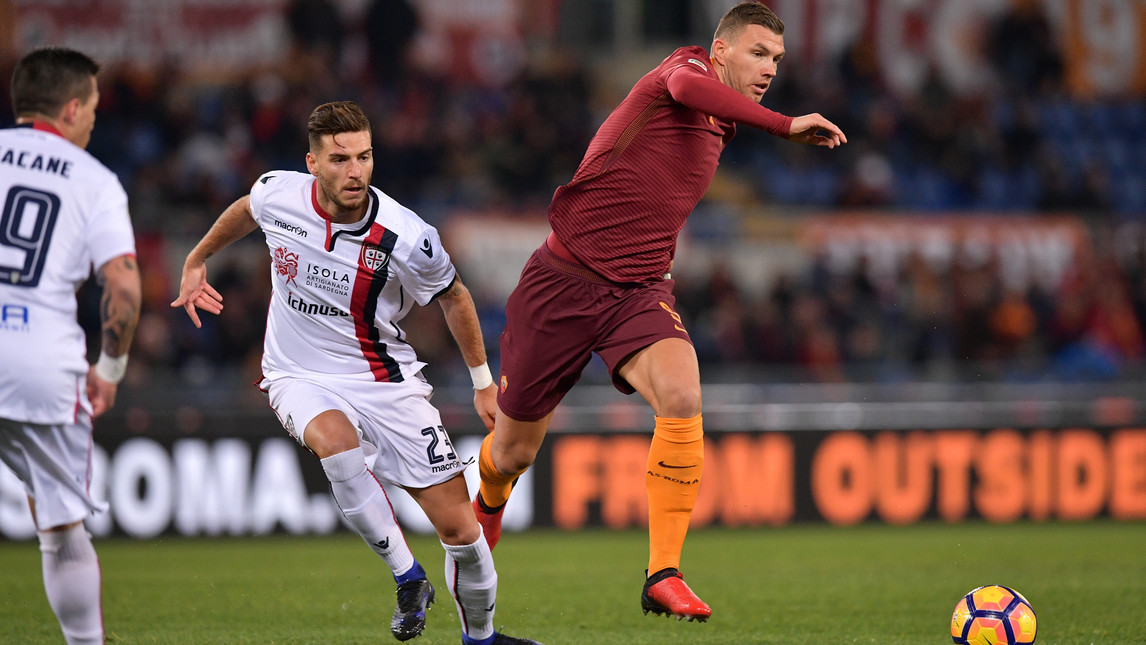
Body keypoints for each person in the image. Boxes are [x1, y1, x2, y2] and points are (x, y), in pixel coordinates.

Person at [472, 1, 847, 623]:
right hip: (561, 283)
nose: (769, 69)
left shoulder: (720, 122)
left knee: (682, 395)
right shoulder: (681, 72)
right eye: (758, 53)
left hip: (639, 292)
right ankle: (484, 509)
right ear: (720, 50)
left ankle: (662, 573)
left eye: (777, 60)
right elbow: (685, 86)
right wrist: (782, 126)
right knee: (512, 454)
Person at [172, 101, 541, 645]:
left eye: (365, 157)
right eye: (340, 159)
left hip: (385, 382)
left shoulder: (407, 236)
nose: (356, 171)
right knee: (336, 444)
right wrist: (197, 258)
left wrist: (483, 381)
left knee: (463, 534)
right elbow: (248, 209)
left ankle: (481, 639)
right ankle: (407, 577)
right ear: (313, 163)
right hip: (296, 372)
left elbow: (454, 296)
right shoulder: (281, 193)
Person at [0, 48, 142, 645]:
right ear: (72, 106)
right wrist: (109, 367)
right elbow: (124, 283)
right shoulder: (94, 180)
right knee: (60, 526)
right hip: (41, 362)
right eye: (92, 110)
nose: (92, 123)